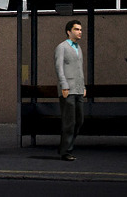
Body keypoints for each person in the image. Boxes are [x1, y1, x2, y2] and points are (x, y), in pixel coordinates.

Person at [54, 19, 86, 160]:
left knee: (79, 120)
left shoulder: (78, 48)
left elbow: (80, 70)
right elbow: (59, 67)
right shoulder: (62, 47)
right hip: (68, 89)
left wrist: (83, 86)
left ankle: (64, 147)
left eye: (80, 29)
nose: (80, 32)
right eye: (77, 29)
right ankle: (66, 151)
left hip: (78, 89)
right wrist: (63, 85)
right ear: (69, 31)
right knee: (69, 121)